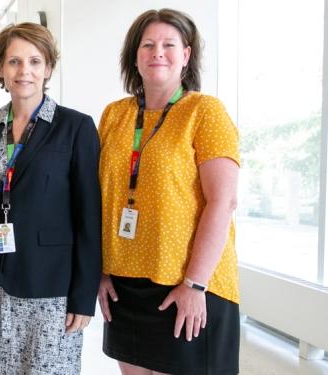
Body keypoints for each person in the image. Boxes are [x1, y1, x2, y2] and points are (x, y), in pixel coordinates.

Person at [97, 8, 241, 375]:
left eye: (168, 44)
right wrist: (100, 271)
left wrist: (195, 284)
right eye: (147, 44)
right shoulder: (115, 115)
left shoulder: (204, 111)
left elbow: (223, 202)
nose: (157, 52)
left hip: (188, 283)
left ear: (186, 55)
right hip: (124, 286)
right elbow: (99, 196)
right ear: (135, 56)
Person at [0, 22, 102, 375]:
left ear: (48, 68)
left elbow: (89, 217)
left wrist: (84, 297)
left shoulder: (76, 127)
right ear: (0, 69)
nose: (24, 71)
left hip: (50, 287)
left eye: (34, 61)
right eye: (13, 62)